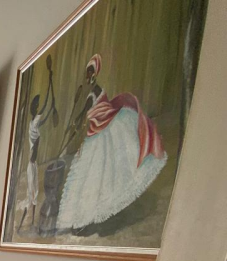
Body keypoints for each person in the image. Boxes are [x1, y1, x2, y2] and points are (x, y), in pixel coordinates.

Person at [56, 54, 167, 233]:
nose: (88, 75)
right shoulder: (91, 91)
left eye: (90, 72)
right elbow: (85, 113)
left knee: (99, 175)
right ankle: (80, 219)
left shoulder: (95, 91)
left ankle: (88, 218)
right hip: (95, 132)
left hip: (103, 133)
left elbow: (86, 111)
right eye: (87, 72)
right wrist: (76, 123)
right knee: (87, 175)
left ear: (95, 73)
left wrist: (77, 122)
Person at [18, 93, 53, 231]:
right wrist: (47, 101)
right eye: (37, 106)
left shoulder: (32, 124)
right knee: (31, 194)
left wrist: (49, 111)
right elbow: (42, 112)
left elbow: (41, 121)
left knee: (34, 193)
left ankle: (31, 221)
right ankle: (24, 223)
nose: (38, 108)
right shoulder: (34, 124)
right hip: (31, 163)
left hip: (33, 163)